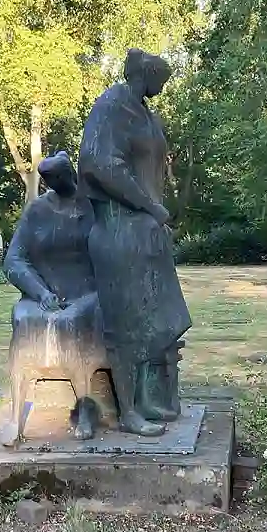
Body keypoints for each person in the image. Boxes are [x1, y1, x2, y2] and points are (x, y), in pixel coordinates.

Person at [77, 49, 192, 437]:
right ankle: (127, 412)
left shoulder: (143, 111)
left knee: (155, 320)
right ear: (147, 73)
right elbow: (99, 163)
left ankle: (148, 399)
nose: (164, 86)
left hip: (144, 232)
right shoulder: (112, 104)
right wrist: (149, 205)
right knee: (126, 324)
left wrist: (154, 216)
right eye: (162, 78)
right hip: (118, 231)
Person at [1, 151, 106, 442]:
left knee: (70, 322)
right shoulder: (37, 211)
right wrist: (40, 291)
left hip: (87, 294)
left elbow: (112, 252)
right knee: (22, 320)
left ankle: (84, 408)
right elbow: (14, 260)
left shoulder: (94, 206)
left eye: (59, 177)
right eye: (49, 180)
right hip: (43, 296)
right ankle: (15, 418)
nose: (55, 183)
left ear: (69, 173)